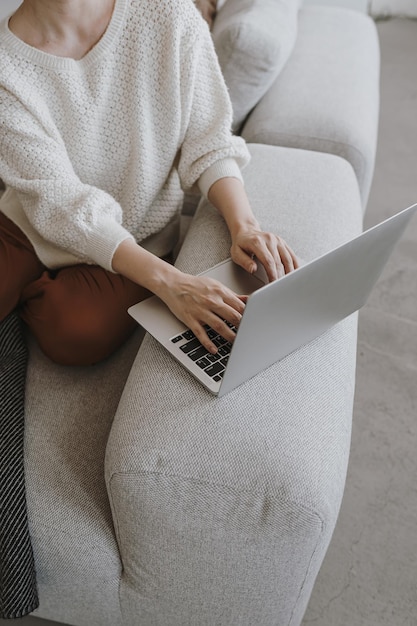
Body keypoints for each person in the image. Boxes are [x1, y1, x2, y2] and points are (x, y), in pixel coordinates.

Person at [0, 0, 299, 367]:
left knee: (76, 333)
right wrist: (173, 284)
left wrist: (245, 226)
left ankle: (28, 290)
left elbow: (209, 141)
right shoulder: (4, 64)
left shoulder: (168, 13)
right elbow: (59, 201)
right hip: (31, 224)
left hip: (134, 235)